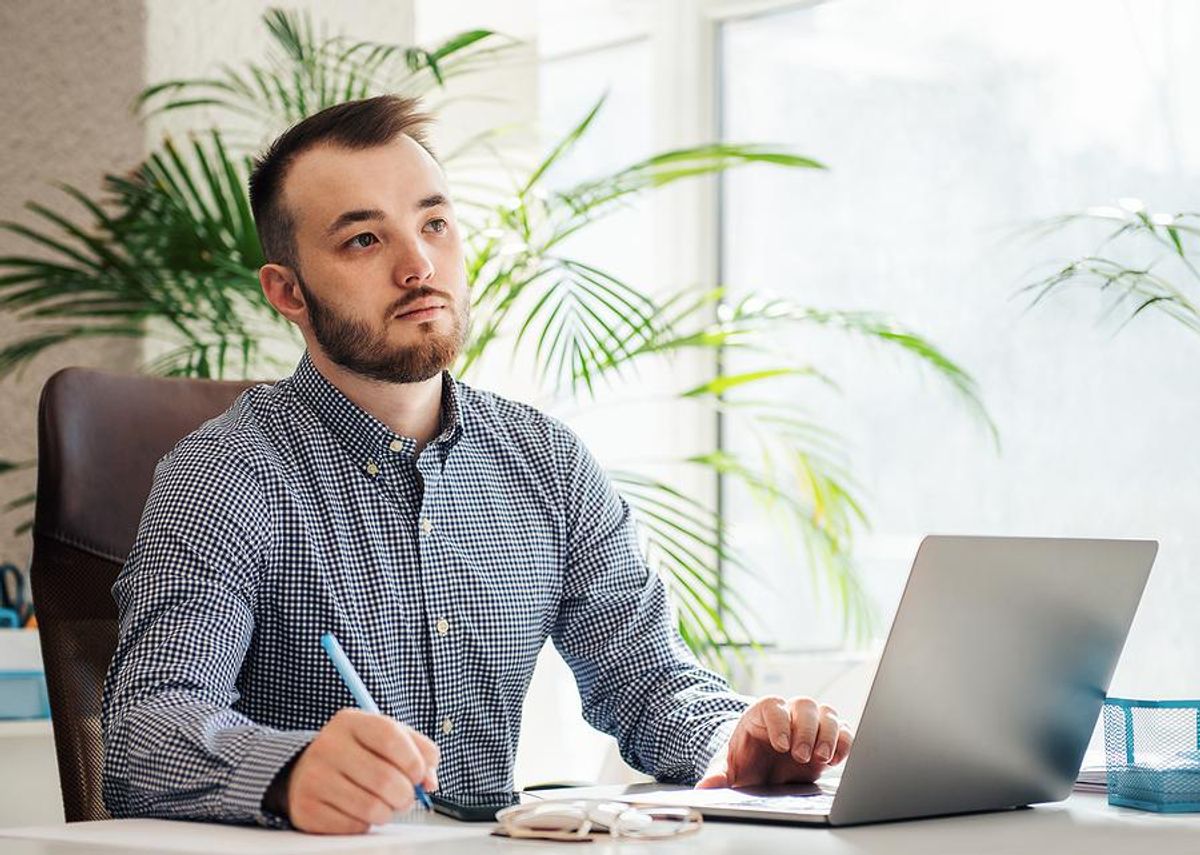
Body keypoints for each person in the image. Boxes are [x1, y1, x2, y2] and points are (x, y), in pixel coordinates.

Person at [101, 95, 853, 835]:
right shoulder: (225, 475)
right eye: (364, 240)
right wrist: (289, 770)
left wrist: (733, 743)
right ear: (288, 291)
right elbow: (145, 729)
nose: (418, 265)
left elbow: (650, 681)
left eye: (434, 224)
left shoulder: (547, 460)